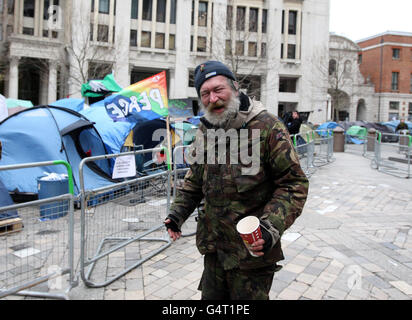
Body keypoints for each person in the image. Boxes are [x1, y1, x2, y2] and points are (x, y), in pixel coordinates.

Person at [164, 60, 309, 300]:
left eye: (218, 89)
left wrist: (269, 226)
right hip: (214, 250)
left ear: (234, 87)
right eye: (205, 93)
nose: (213, 98)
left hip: (252, 253)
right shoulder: (206, 130)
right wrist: (177, 214)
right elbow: (195, 178)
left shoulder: (268, 127)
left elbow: (293, 184)